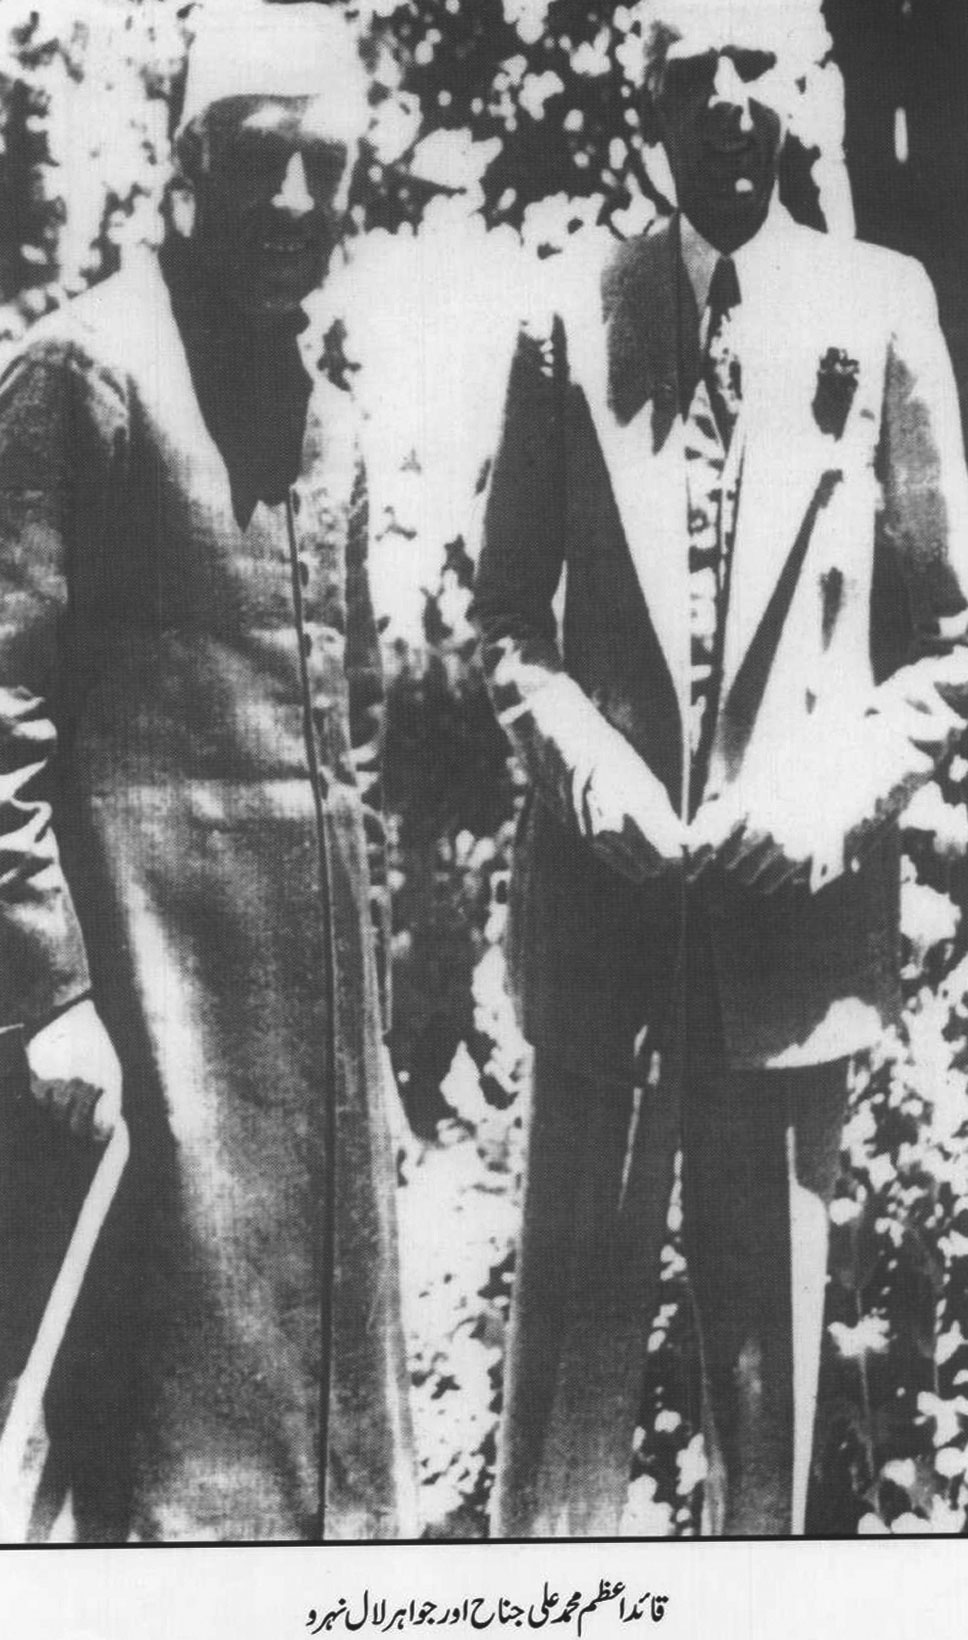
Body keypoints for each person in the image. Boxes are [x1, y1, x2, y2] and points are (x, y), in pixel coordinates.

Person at [475, 0, 968, 1537]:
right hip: (602, 940)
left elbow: (952, 645)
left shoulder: (880, 307)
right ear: (653, 105)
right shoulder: (570, 311)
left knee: (768, 1418)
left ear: (801, 92)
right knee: (563, 1415)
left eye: (757, 65)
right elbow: (506, 627)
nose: (729, 101)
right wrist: (585, 767)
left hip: (786, 946)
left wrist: (834, 792)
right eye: (695, 72)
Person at [0, 1, 414, 1542]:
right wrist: (50, 997)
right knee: (160, 1490)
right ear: (185, 170)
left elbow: (344, 763)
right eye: (258, 160)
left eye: (328, 168)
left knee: (326, 1492)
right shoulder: (82, 373)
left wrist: (371, 1049)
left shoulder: (330, 421)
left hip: (310, 1063)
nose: (296, 203)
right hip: (146, 1044)